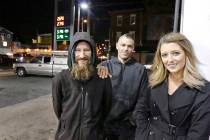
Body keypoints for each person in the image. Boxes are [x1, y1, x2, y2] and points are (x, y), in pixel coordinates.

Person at [135, 32, 210, 140]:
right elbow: (140, 111)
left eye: (175, 53)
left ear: (187, 54)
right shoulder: (154, 81)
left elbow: (199, 133)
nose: (170, 60)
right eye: (164, 55)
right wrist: (142, 135)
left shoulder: (203, 89)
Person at [52, 32, 112, 140]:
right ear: (72, 53)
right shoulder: (60, 79)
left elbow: (106, 109)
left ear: (93, 53)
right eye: (78, 50)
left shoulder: (103, 78)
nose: (82, 55)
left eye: (87, 50)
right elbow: (58, 111)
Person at [98, 33, 148, 140]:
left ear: (133, 48)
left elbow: (143, 98)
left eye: (129, 46)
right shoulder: (105, 66)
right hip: (106, 125)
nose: (126, 49)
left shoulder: (140, 70)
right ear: (117, 46)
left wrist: (133, 120)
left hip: (127, 126)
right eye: (123, 45)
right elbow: (97, 95)